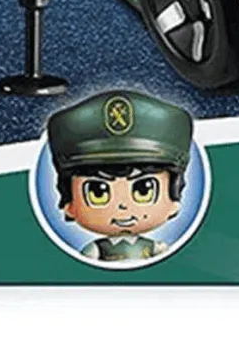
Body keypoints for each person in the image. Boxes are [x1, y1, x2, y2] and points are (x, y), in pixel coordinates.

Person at [45, 91, 195, 264]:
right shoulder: (96, 250)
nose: (123, 206)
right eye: (98, 193)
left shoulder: (155, 247)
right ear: (70, 205)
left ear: (173, 199)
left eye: (143, 190)